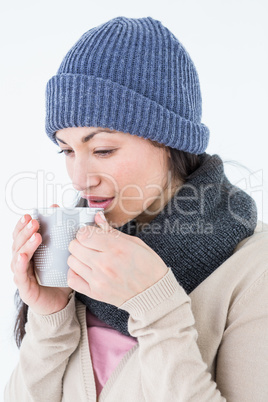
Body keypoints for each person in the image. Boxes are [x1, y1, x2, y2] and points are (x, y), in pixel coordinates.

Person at [5, 16, 268, 401]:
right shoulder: (77, 259)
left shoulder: (254, 269)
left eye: (103, 150)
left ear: (169, 141)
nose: (80, 178)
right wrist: (50, 317)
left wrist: (157, 305)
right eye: (66, 150)